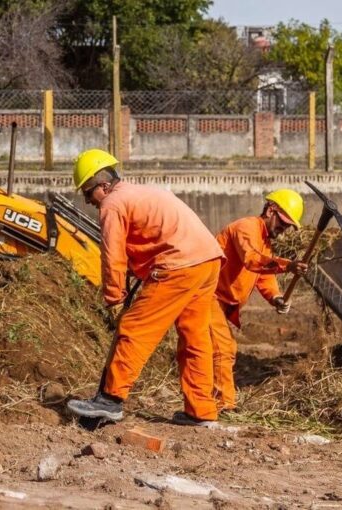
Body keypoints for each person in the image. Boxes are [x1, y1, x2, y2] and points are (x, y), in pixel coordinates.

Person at [66, 149, 224, 426]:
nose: (87, 201)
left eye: (88, 192)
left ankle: (110, 400)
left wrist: (114, 298)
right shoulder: (143, 192)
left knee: (134, 329)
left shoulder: (113, 204)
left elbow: (112, 255)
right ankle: (201, 411)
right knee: (195, 337)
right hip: (207, 260)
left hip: (179, 265)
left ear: (103, 186)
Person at [211, 189, 308, 412]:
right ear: (271, 210)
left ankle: (208, 399)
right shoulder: (247, 227)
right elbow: (252, 260)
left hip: (223, 303)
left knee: (210, 349)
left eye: (288, 227)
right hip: (208, 296)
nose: (283, 230)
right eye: (283, 223)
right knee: (223, 348)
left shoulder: (265, 240)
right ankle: (222, 404)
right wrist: (288, 265)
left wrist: (275, 297)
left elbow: (263, 275)